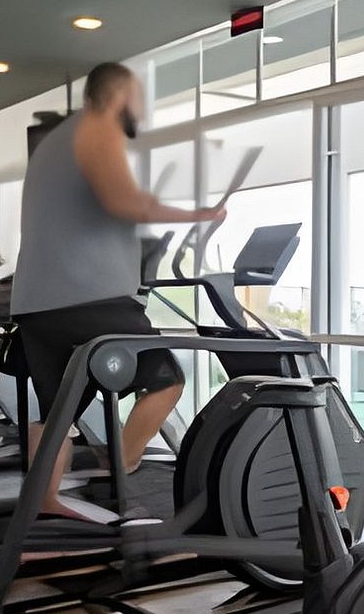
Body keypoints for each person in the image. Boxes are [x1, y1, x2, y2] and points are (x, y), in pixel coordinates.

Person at [14, 62, 223, 520]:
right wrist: (198, 216)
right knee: (166, 381)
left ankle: (43, 505)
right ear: (118, 96)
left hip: (36, 303)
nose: (141, 109)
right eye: (138, 98)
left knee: (57, 414)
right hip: (88, 298)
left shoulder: (55, 142)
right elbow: (123, 201)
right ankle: (120, 468)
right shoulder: (97, 126)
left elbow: (88, 215)